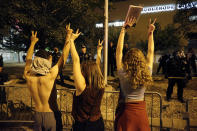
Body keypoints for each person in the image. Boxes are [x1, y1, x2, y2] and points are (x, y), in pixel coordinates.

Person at [23, 25, 71, 131]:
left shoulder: (29, 76)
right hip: (51, 115)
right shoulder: (50, 77)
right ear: (45, 61)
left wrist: (32, 43)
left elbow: (28, 60)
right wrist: (68, 37)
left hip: (37, 116)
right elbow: (63, 59)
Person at [115, 17, 156, 131]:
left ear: (127, 59)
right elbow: (151, 52)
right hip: (141, 113)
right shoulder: (147, 72)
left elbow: (118, 53)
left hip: (127, 113)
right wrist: (150, 34)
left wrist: (123, 30)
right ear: (141, 59)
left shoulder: (123, 74)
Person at [69, 27, 105, 131]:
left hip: (83, 126)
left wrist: (71, 40)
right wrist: (99, 51)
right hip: (98, 123)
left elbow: (76, 61)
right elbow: (97, 67)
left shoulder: (81, 87)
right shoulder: (101, 84)